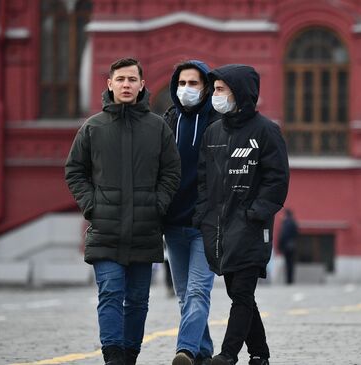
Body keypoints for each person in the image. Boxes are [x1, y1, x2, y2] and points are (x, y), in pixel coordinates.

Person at [65, 58, 181, 365]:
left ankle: (129, 355)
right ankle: (114, 357)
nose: (126, 85)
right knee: (111, 294)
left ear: (142, 85)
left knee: (138, 301)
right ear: (110, 84)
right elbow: (74, 171)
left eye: (132, 79)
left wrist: (158, 205)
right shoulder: (93, 128)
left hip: (145, 229)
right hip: (105, 229)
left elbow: (172, 172)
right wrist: (92, 205)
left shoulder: (157, 128)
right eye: (121, 79)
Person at [193, 64, 290, 365]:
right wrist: (203, 215)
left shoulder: (266, 130)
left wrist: (257, 212)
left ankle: (228, 354)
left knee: (243, 293)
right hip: (219, 229)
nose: (215, 95)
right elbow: (203, 179)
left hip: (250, 227)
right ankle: (259, 354)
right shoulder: (213, 132)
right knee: (239, 294)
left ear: (240, 93)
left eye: (221, 89)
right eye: (215, 90)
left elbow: (277, 178)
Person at [162, 60, 221, 365]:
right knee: (186, 295)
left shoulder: (217, 122)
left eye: (194, 83)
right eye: (182, 83)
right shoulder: (169, 120)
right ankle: (204, 351)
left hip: (205, 225)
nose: (187, 89)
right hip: (173, 225)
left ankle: (184, 350)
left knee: (198, 292)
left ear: (205, 87)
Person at [278, 209, 299, 284]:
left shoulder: (286, 223)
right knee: (291, 263)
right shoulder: (294, 222)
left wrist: (279, 246)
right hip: (292, 245)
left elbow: (283, 235)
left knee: (288, 263)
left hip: (286, 246)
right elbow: (296, 234)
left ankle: (288, 280)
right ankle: (290, 280)